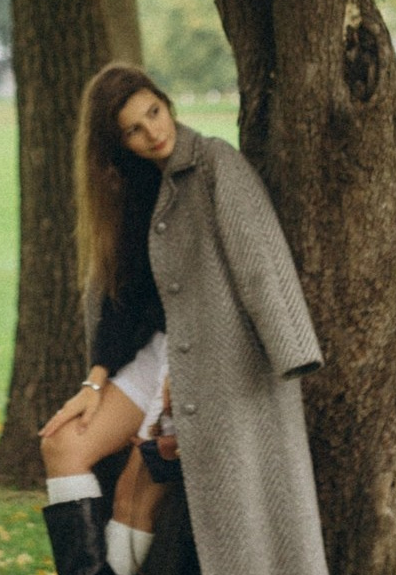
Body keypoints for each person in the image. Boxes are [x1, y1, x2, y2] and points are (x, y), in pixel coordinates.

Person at [38, 63, 329, 575]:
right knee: (62, 445)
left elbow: (259, 264)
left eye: (154, 112)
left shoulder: (216, 163)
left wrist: (291, 350)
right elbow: (119, 302)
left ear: (167, 103)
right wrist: (94, 380)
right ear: (118, 143)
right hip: (155, 358)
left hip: (218, 365)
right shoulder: (123, 195)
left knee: (137, 495)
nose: (154, 132)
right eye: (134, 128)